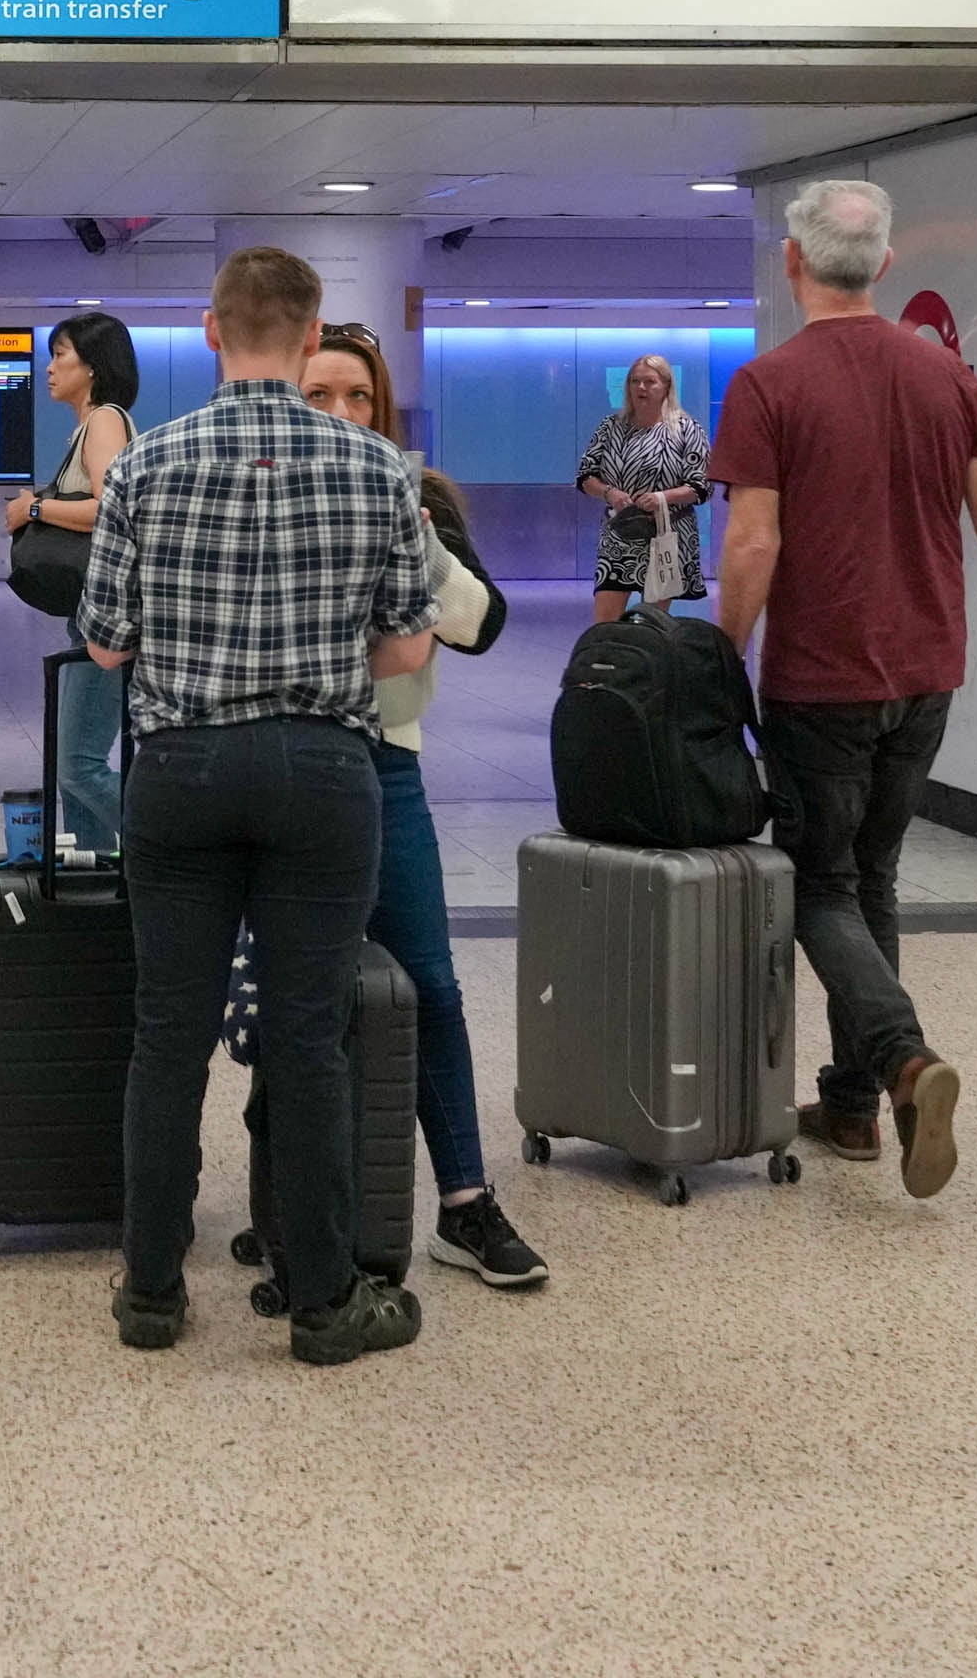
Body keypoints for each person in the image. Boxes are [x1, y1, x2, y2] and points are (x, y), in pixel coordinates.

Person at [81, 246, 436, 1366]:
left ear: (209, 330)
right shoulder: (379, 468)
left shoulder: (149, 464)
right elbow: (410, 640)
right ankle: (326, 1301)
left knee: (167, 1033)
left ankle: (149, 1291)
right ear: (312, 327)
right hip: (325, 773)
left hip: (179, 770)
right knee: (308, 1038)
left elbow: (105, 640)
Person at [712, 177, 977, 1201]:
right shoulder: (949, 379)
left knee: (819, 882)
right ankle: (856, 1105)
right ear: (886, 264)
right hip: (928, 675)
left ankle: (905, 1062)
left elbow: (753, 539)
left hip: (821, 679)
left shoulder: (768, 383)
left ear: (793, 263)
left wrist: (718, 664)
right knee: (872, 875)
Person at [296, 323, 548, 1288]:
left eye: (358, 399)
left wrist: (403, 520)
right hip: (295, 760)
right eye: (320, 397)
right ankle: (293, 1200)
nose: (341, 416)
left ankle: (466, 1202)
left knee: (432, 984)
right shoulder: (266, 496)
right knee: (297, 992)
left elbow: (481, 623)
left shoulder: (417, 505)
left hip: (386, 767)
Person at [4, 310, 136, 854]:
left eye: (61, 354)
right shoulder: (90, 425)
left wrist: (34, 508)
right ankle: (101, 876)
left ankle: (178, 843)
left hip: (106, 617)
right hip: (88, 615)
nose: (51, 366)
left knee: (79, 767)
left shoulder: (105, 419)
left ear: (94, 366)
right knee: (71, 771)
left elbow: (111, 505)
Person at [576, 354, 713, 624]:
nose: (641, 388)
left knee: (652, 623)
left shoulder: (687, 430)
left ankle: (646, 662)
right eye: (635, 381)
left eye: (649, 382)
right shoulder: (610, 428)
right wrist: (609, 493)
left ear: (666, 387)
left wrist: (662, 497)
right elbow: (585, 476)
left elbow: (701, 486)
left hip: (665, 534)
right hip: (619, 535)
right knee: (605, 621)